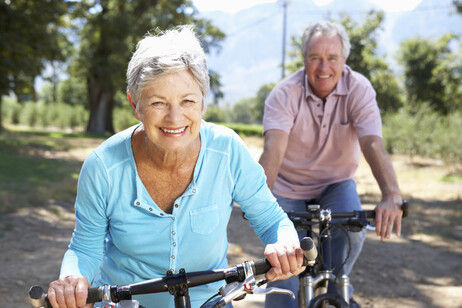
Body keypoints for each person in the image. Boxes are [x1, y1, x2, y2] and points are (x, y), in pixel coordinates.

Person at [46, 25, 305, 308]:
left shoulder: (228, 150)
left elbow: (272, 219)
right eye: (158, 102)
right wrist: (73, 279)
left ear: (203, 102)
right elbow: (84, 247)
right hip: (126, 303)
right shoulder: (103, 167)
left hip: (210, 301)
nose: (175, 117)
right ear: (136, 105)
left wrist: (285, 242)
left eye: (188, 101)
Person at [260, 21, 404, 308]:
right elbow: (272, 151)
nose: (323, 67)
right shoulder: (284, 93)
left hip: (336, 183)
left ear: (344, 60)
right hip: (288, 186)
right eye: (315, 58)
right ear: (304, 60)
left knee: (352, 230)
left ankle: (335, 288)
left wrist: (390, 195)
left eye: (332, 58)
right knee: (284, 270)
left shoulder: (359, 89)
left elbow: (372, 143)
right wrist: (260, 203)